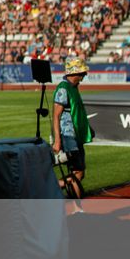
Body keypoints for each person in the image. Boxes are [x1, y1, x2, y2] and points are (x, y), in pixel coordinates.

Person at [51, 54, 93, 205]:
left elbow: (77, 112)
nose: (84, 75)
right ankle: (77, 208)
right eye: (82, 72)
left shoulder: (73, 88)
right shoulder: (63, 89)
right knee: (77, 173)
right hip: (68, 137)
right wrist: (57, 140)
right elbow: (56, 116)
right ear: (74, 72)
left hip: (75, 136)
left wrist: (88, 129)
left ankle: (54, 188)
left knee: (79, 174)